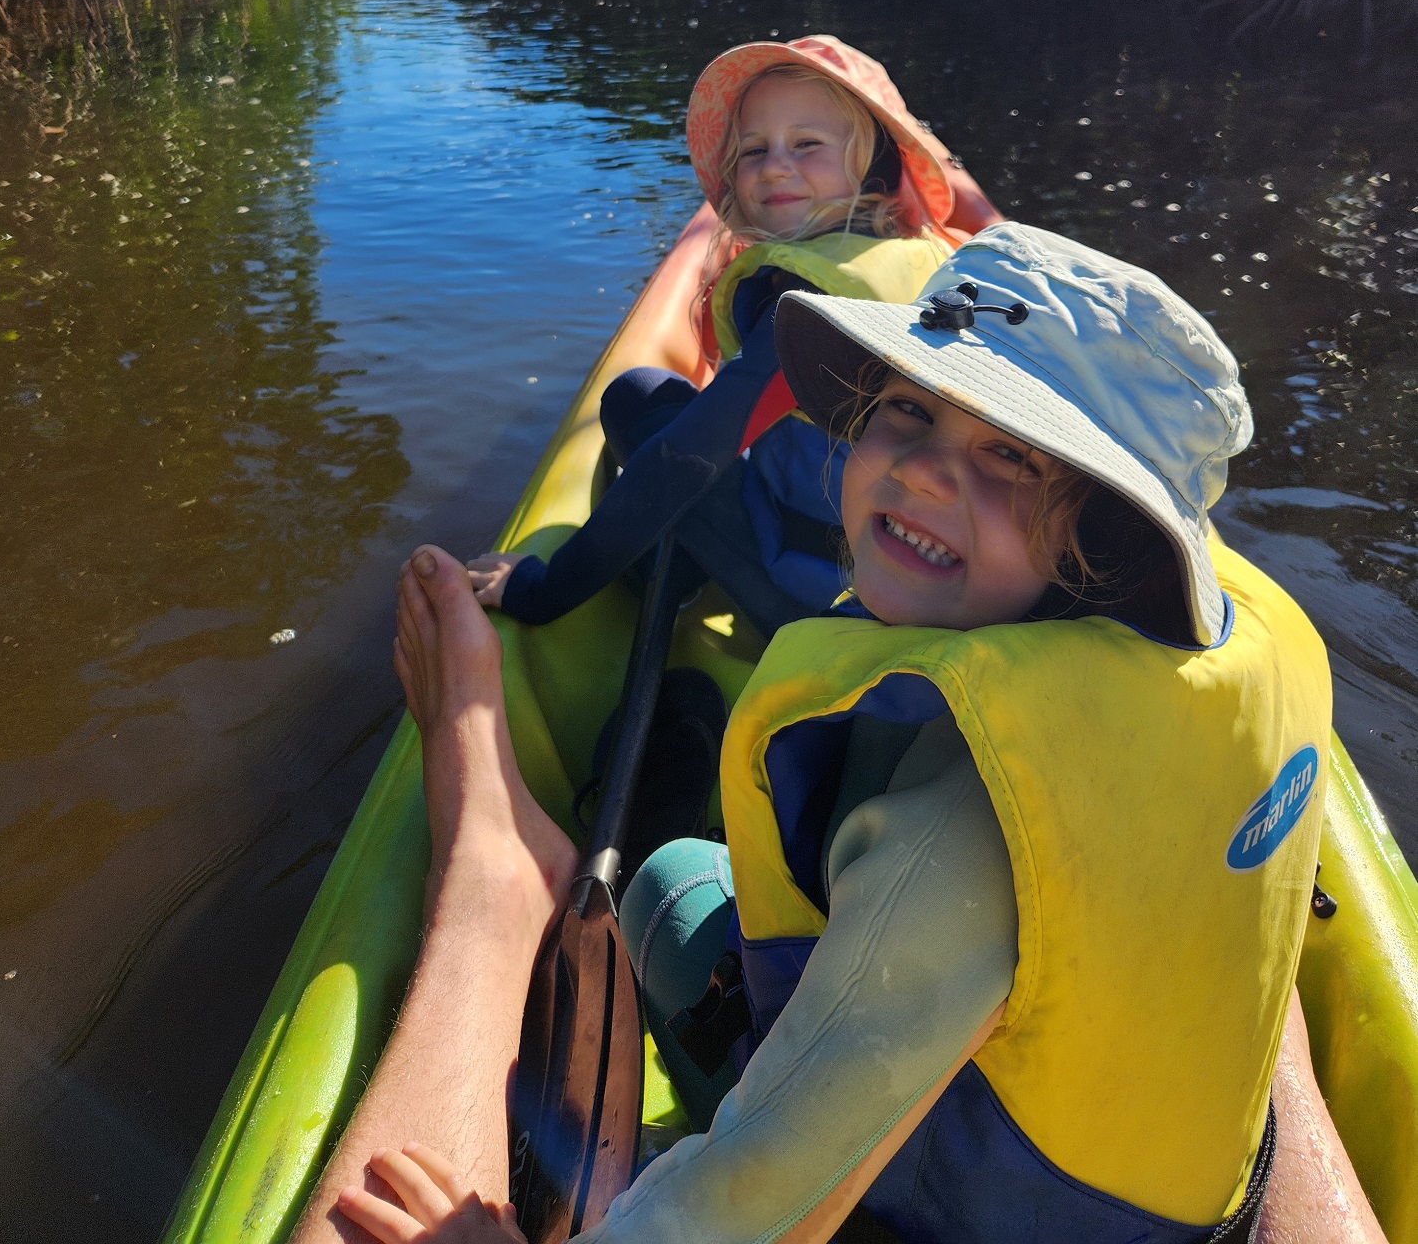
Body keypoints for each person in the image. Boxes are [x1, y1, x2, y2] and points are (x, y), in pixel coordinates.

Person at [293, 226, 1387, 1244]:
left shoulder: (950, 839)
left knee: (666, 889)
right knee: (687, 876)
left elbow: (762, 1197)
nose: (919, 467)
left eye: (1011, 459)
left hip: (983, 1210)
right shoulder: (1242, 635)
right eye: (909, 411)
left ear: (1110, 537)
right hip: (1174, 1173)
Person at [469, 35, 1001, 638]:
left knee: (639, 398)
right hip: (914, 569)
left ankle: (671, 578)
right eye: (753, 151)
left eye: (807, 145)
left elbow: (682, 461)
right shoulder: (927, 259)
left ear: (876, 167)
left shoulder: (809, 310)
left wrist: (542, 589)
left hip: (827, 603)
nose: (775, 165)